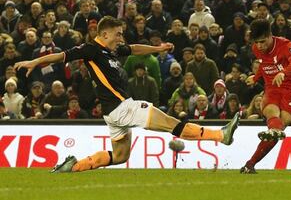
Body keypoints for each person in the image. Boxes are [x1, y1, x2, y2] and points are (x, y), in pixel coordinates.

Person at [15, 16, 239, 173]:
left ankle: (73, 166)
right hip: (123, 107)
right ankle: (221, 135)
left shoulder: (111, 50)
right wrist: (35, 61)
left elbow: (133, 48)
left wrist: (158, 49)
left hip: (114, 112)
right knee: (171, 123)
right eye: (117, 34)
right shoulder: (91, 48)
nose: (121, 38)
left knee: (121, 156)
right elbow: (61, 55)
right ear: (104, 33)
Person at [241, 19, 291, 174]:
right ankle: (273, 133)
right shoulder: (257, 48)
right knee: (270, 112)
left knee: (282, 121)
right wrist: (255, 77)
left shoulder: (286, 45)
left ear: (270, 36)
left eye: (263, 41)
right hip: (272, 87)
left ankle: (251, 162)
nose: (260, 46)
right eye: (257, 42)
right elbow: (264, 65)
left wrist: (283, 72)